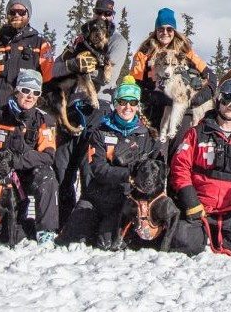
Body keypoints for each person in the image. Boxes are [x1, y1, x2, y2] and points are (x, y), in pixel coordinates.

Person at [59, 78, 161, 249]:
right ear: (115, 104)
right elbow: (98, 169)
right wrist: (130, 174)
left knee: (106, 243)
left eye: (132, 102)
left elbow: (155, 172)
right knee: (73, 239)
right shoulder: (100, 132)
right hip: (98, 196)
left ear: (137, 106)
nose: (127, 107)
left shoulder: (149, 136)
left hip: (126, 202)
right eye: (122, 102)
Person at [169, 76, 231, 255]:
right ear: (219, 100)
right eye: (227, 99)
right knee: (184, 245)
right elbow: (180, 167)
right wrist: (190, 199)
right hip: (200, 206)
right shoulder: (197, 133)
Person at [45, 0, 120, 218]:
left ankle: (88, 219)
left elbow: (108, 77)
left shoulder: (118, 41)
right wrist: (72, 64)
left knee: (89, 166)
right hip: (71, 105)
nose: (102, 17)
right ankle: (62, 219)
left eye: (107, 15)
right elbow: (54, 70)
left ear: (111, 19)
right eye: (99, 13)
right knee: (62, 165)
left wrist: (88, 70)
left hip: (98, 107)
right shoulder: (79, 41)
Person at [0, 69, 59, 243]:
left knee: (48, 176)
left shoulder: (42, 121)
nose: (29, 96)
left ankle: (46, 231)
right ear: (17, 91)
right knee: (2, 235)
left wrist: (18, 161)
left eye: (35, 92)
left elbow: (48, 155)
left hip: (25, 176)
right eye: (25, 90)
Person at [128, 8, 213, 137]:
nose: (165, 33)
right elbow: (134, 84)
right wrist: (153, 97)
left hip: (182, 112)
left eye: (169, 29)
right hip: (153, 111)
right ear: (156, 30)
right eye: (161, 29)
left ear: (174, 31)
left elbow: (211, 77)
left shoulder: (184, 52)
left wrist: (197, 99)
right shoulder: (144, 53)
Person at [0, 0, 55, 112]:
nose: (16, 15)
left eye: (21, 12)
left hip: (24, 116)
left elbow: (50, 82)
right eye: (12, 12)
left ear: (28, 15)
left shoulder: (40, 45)